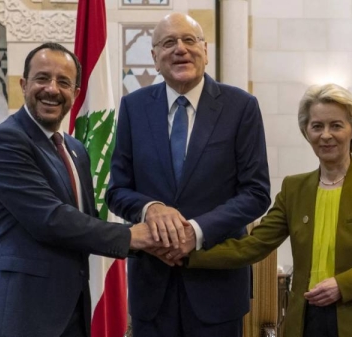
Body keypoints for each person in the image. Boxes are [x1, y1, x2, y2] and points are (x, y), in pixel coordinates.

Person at [185, 83, 352, 337]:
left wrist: (342, 285)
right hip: (306, 321)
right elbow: (252, 246)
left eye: (336, 125)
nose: (325, 135)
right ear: (307, 132)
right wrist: (187, 256)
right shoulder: (294, 188)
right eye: (317, 126)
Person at [0, 42, 158, 337]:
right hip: (17, 312)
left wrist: (155, 242)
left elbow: (86, 220)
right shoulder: (5, 141)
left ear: (76, 93)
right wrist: (132, 237)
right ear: (24, 84)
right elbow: (50, 219)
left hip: (69, 311)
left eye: (64, 82)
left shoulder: (75, 149)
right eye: (42, 78)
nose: (52, 89)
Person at [105, 13, 271, 337]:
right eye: (168, 43)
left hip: (218, 288)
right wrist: (150, 208)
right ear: (154, 58)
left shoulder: (241, 107)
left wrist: (194, 232)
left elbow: (256, 193)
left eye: (189, 40)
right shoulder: (133, 108)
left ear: (205, 51)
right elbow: (117, 191)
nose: (180, 49)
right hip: (152, 288)